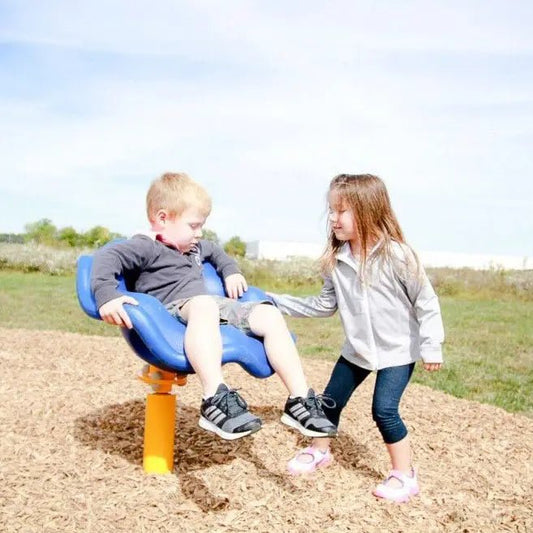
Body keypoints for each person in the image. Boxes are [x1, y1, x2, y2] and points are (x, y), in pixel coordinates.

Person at [91, 172, 337, 442]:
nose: (199, 233)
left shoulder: (195, 247)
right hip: (169, 313)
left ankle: (299, 400)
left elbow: (218, 253)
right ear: (163, 219)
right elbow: (107, 257)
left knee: (269, 313)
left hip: (209, 306)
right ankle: (214, 397)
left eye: (201, 226)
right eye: (193, 225)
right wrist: (106, 294)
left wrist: (231, 272)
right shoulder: (145, 246)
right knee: (204, 306)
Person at [268, 173, 444, 503]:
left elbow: (426, 301)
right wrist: (273, 300)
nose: (333, 218)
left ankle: (404, 475)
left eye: (341, 210)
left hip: (397, 352)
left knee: (384, 411)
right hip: (357, 351)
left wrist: (431, 345)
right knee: (328, 402)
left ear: (367, 210)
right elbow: (323, 306)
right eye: (331, 210)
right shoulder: (336, 261)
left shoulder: (397, 256)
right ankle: (320, 450)